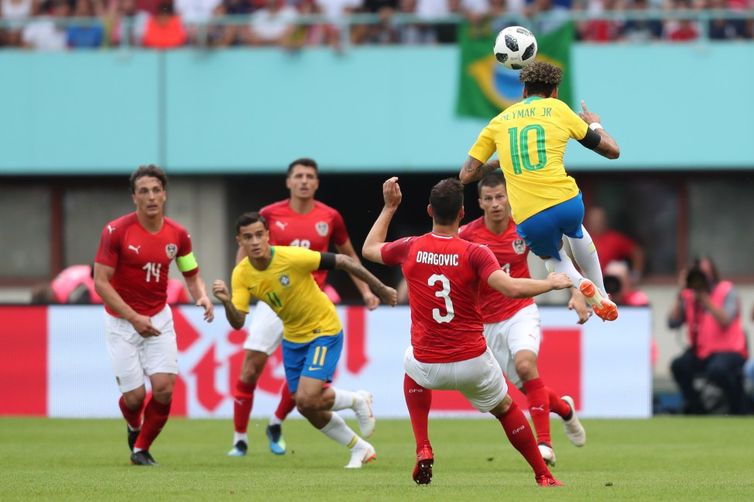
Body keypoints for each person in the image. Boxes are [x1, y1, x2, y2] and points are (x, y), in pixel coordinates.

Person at [362, 177, 572, 486]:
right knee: (506, 410)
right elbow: (511, 288)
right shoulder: (476, 252)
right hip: (472, 361)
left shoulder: (411, 247)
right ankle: (543, 474)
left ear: (430, 210)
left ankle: (423, 445)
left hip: (429, 364)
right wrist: (550, 283)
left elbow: (369, 248)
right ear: (462, 213)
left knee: (410, 362)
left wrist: (390, 206)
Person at [212, 211, 397, 468]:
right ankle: (360, 448)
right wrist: (226, 302)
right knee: (305, 406)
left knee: (308, 397)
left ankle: (358, 400)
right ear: (239, 241)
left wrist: (379, 288)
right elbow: (238, 322)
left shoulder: (291, 257)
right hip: (293, 338)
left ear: (268, 236)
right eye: (247, 237)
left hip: (323, 329)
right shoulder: (241, 274)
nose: (254, 241)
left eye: (258, 235)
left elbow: (343, 260)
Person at [228, 157, 381, 457]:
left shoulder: (330, 216)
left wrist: (366, 290)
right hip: (271, 303)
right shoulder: (269, 214)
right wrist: (241, 286)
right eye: (298, 176)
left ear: (317, 182)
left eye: (310, 176)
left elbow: (346, 253)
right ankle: (240, 439)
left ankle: (275, 422)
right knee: (251, 369)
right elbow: (244, 252)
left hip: (311, 300)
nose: (304, 181)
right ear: (288, 182)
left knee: (306, 388)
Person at [458, 61, 621, 322]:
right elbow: (612, 151)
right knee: (576, 231)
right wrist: (595, 124)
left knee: (553, 257)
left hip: (530, 215)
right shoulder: (558, 109)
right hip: (566, 201)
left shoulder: (499, 121)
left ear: (523, 91)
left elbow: (466, 175)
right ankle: (601, 292)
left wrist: (500, 161)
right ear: (554, 91)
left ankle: (582, 286)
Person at [458, 173, 589, 467]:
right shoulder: (467, 235)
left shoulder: (524, 226)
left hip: (520, 311)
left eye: (500, 197)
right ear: (479, 202)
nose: (495, 204)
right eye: (488, 199)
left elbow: (558, 255)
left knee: (527, 365)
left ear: (509, 197)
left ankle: (545, 444)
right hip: (487, 324)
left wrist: (578, 293)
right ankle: (565, 410)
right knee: (530, 388)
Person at [93, 164, 215, 466]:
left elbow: (191, 274)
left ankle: (141, 449)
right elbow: (100, 282)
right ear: (134, 197)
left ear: (165, 195)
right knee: (134, 398)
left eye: (156, 190)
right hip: (122, 322)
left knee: (163, 389)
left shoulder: (179, 235)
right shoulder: (116, 231)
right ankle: (134, 426)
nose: (151, 196)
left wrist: (201, 296)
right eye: (144, 191)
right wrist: (134, 318)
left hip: (159, 318)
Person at [668, 257, 748, 415]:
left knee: (717, 370)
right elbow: (672, 322)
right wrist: (680, 292)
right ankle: (698, 409)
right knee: (679, 366)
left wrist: (705, 299)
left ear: (713, 273)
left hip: (730, 351)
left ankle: (739, 408)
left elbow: (725, 319)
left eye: (704, 273)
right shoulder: (689, 296)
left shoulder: (726, 290)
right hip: (702, 352)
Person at [585, 206, 645, 277]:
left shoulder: (614, 238)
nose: (597, 223)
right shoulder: (580, 239)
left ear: (605, 221)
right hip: (586, 282)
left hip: (610, 283)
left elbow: (637, 252)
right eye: (594, 220)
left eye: (599, 220)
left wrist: (635, 275)